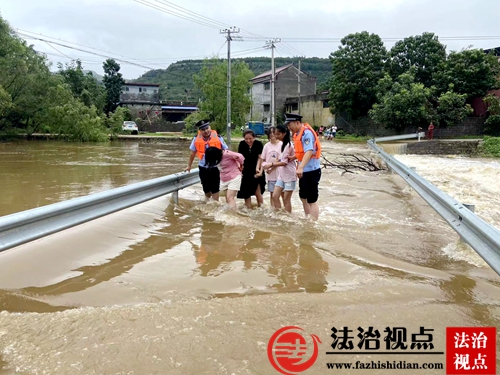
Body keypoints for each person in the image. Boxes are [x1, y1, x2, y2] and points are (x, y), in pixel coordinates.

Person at [285, 113, 322, 220]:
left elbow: (309, 151)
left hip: (311, 171)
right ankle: (308, 217)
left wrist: (300, 167)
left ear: (297, 122)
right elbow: (301, 152)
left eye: (290, 124)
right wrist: (293, 157)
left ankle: (313, 223)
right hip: (303, 171)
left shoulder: (307, 133)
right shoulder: (297, 134)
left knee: (312, 200)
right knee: (303, 197)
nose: (289, 128)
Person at [185, 119, 228, 201]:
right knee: (206, 188)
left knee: (215, 188)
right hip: (203, 167)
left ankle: (215, 203)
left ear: (210, 128)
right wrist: (189, 165)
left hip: (215, 167)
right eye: (203, 129)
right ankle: (208, 203)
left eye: (207, 128)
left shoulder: (218, 138)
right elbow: (193, 153)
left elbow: (226, 151)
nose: (205, 131)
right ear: (200, 131)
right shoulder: (196, 139)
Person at [269, 125, 297, 213]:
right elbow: (281, 160)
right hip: (281, 175)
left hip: (289, 175)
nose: (276, 136)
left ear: (284, 134)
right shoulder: (282, 145)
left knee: (286, 199)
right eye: (275, 134)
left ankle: (288, 216)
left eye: (278, 134)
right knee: (275, 196)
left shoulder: (288, 145)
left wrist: (271, 164)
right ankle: (279, 214)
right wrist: (272, 167)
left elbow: (284, 162)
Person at [237, 129, 265, 208]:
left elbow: (261, 158)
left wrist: (259, 170)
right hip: (245, 171)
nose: (248, 140)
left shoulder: (258, 144)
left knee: (257, 192)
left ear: (254, 137)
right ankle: (248, 209)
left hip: (257, 170)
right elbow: (240, 158)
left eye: (250, 138)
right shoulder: (242, 144)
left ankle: (261, 208)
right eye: (246, 139)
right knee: (246, 192)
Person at [260, 126, 282, 207]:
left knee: (283, 195)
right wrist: (262, 168)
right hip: (270, 175)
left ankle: (283, 212)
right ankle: (273, 210)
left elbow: (281, 160)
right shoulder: (266, 146)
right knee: (272, 195)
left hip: (281, 174)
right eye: (270, 133)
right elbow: (262, 159)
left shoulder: (281, 144)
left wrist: (272, 169)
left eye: (274, 133)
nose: (272, 135)